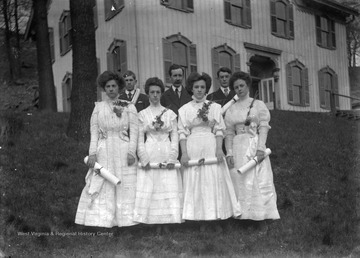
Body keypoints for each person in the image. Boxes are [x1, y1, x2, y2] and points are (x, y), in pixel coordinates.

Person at [178, 72, 241, 232]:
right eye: (196, 87)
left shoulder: (215, 107)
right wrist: (184, 153)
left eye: (202, 87)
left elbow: (219, 130)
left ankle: (216, 217)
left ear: (206, 89)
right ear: (191, 89)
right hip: (193, 145)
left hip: (210, 144)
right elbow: (182, 133)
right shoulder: (184, 109)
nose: (199, 90)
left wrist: (219, 149)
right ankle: (201, 219)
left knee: (212, 179)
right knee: (197, 179)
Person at [75, 71, 139, 228]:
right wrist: (92, 153)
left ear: (119, 88)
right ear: (104, 88)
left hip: (123, 149)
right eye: (108, 86)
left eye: (114, 86)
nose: (111, 89)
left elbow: (135, 131)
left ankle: (126, 222)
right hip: (104, 149)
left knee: (124, 184)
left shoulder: (128, 107)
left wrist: (131, 152)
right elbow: (94, 132)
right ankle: (102, 221)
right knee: (104, 182)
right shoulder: (98, 107)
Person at [224, 71, 280, 223]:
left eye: (242, 85)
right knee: (239, 178)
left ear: (247, 86)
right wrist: (229, 153)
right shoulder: (231, 109)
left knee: (257, 179)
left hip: (253, 143)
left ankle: (261, 216)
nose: (239, 89)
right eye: (236, 87)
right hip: (237, 145)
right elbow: (228, 133)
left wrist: (261, 147)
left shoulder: (258, 104)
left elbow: (263, 127)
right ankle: (243, 215)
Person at [133, 77, 183, 233]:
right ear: (147, 94)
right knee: (151, 185)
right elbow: (139, 139)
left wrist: (172, 156)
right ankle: (153, 222)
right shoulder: (142, 114)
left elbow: (175, 137)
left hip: (166, 149)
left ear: (161, 93)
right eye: (152, 92)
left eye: (158, 92)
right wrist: (143, 157)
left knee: (166, 185)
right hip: (150, 150)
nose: (155, 95)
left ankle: (167, 222)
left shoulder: (170, 114)